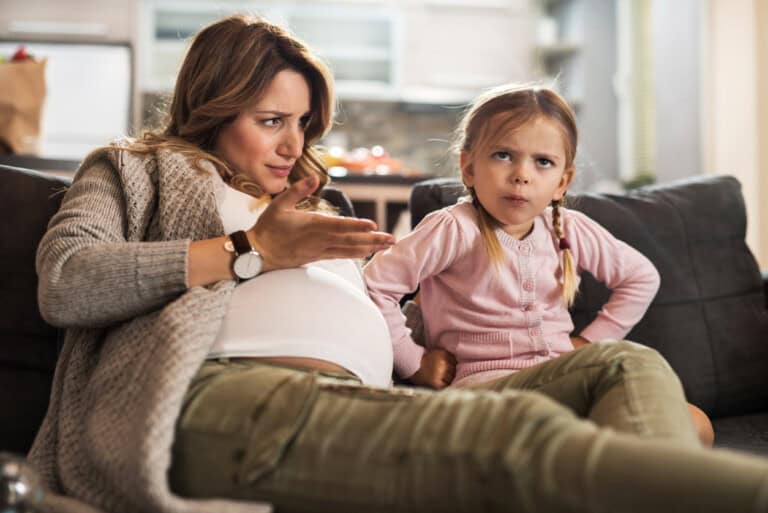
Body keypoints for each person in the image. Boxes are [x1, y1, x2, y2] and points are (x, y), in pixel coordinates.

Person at [30, 14, 768, 513]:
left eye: (304, 125)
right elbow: (66, 281)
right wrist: (251, 251)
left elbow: (393, 302)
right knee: (528, 449)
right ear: (212, 107)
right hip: (224, 397)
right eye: (271, 121)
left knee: (630, 368)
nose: (294, 145)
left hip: (374, 402)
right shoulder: (134, 169)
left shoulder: (315, 203)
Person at [364, 84, 715, 447]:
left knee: (697, 424)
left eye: (542, 162)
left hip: (565, 383)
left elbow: (640, 277)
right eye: (503, 155)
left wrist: (590, 341)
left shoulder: (568, 229)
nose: (522, 174)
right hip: (488, 393)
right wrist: (414, 363)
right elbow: (375, 285)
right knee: (623, 368)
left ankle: (607, 474)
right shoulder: (453, 228)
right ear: (468, 167)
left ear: (562, 182)